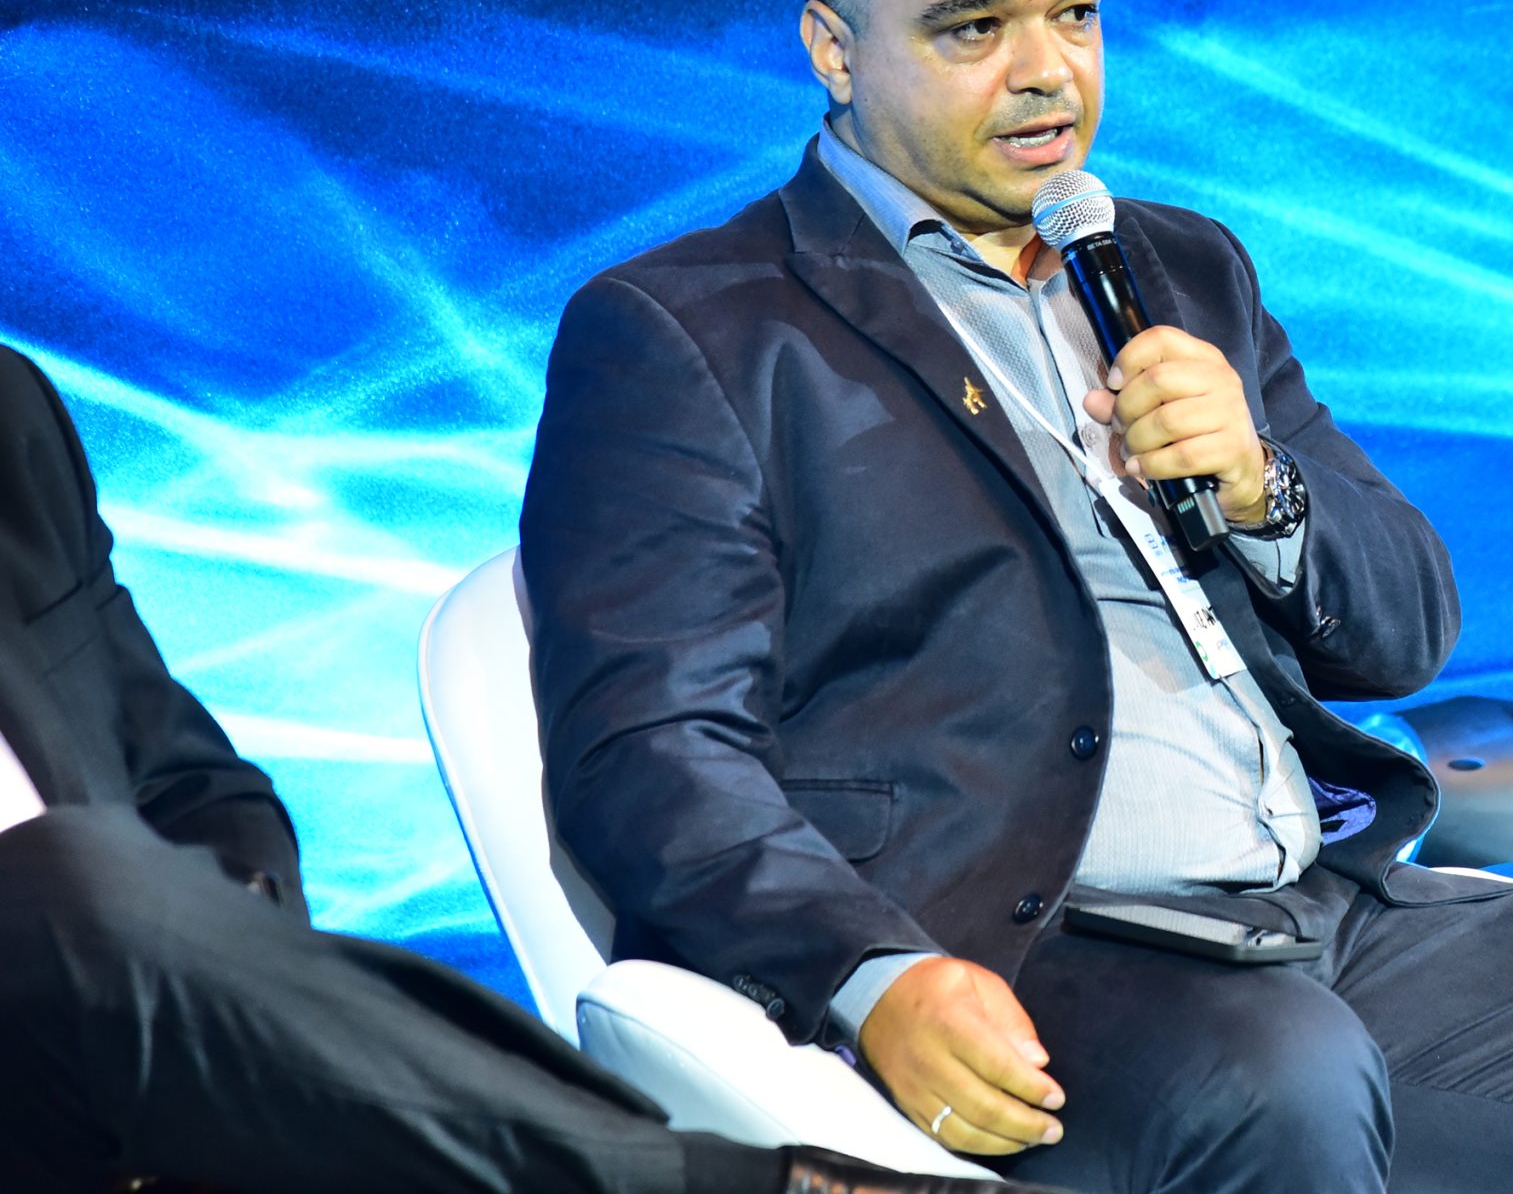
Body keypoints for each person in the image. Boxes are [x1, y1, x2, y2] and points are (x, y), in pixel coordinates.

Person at [519, 0, 1513, 1194]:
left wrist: (1263, 490)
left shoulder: (1179, 269)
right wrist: (871, 970)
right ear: (834, 50)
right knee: (1286, 1081)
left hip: (1312, 910)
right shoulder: (698, 328)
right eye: (975, 27)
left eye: (1075, 15)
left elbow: (1406, 629)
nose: (1047, 74)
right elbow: (648, 748)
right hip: (1012, 937)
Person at [0, 343, 1005, 1194]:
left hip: (136, 1085)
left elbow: (195, 790)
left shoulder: (11, 419)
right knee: (64, 886)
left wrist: (202, 986)